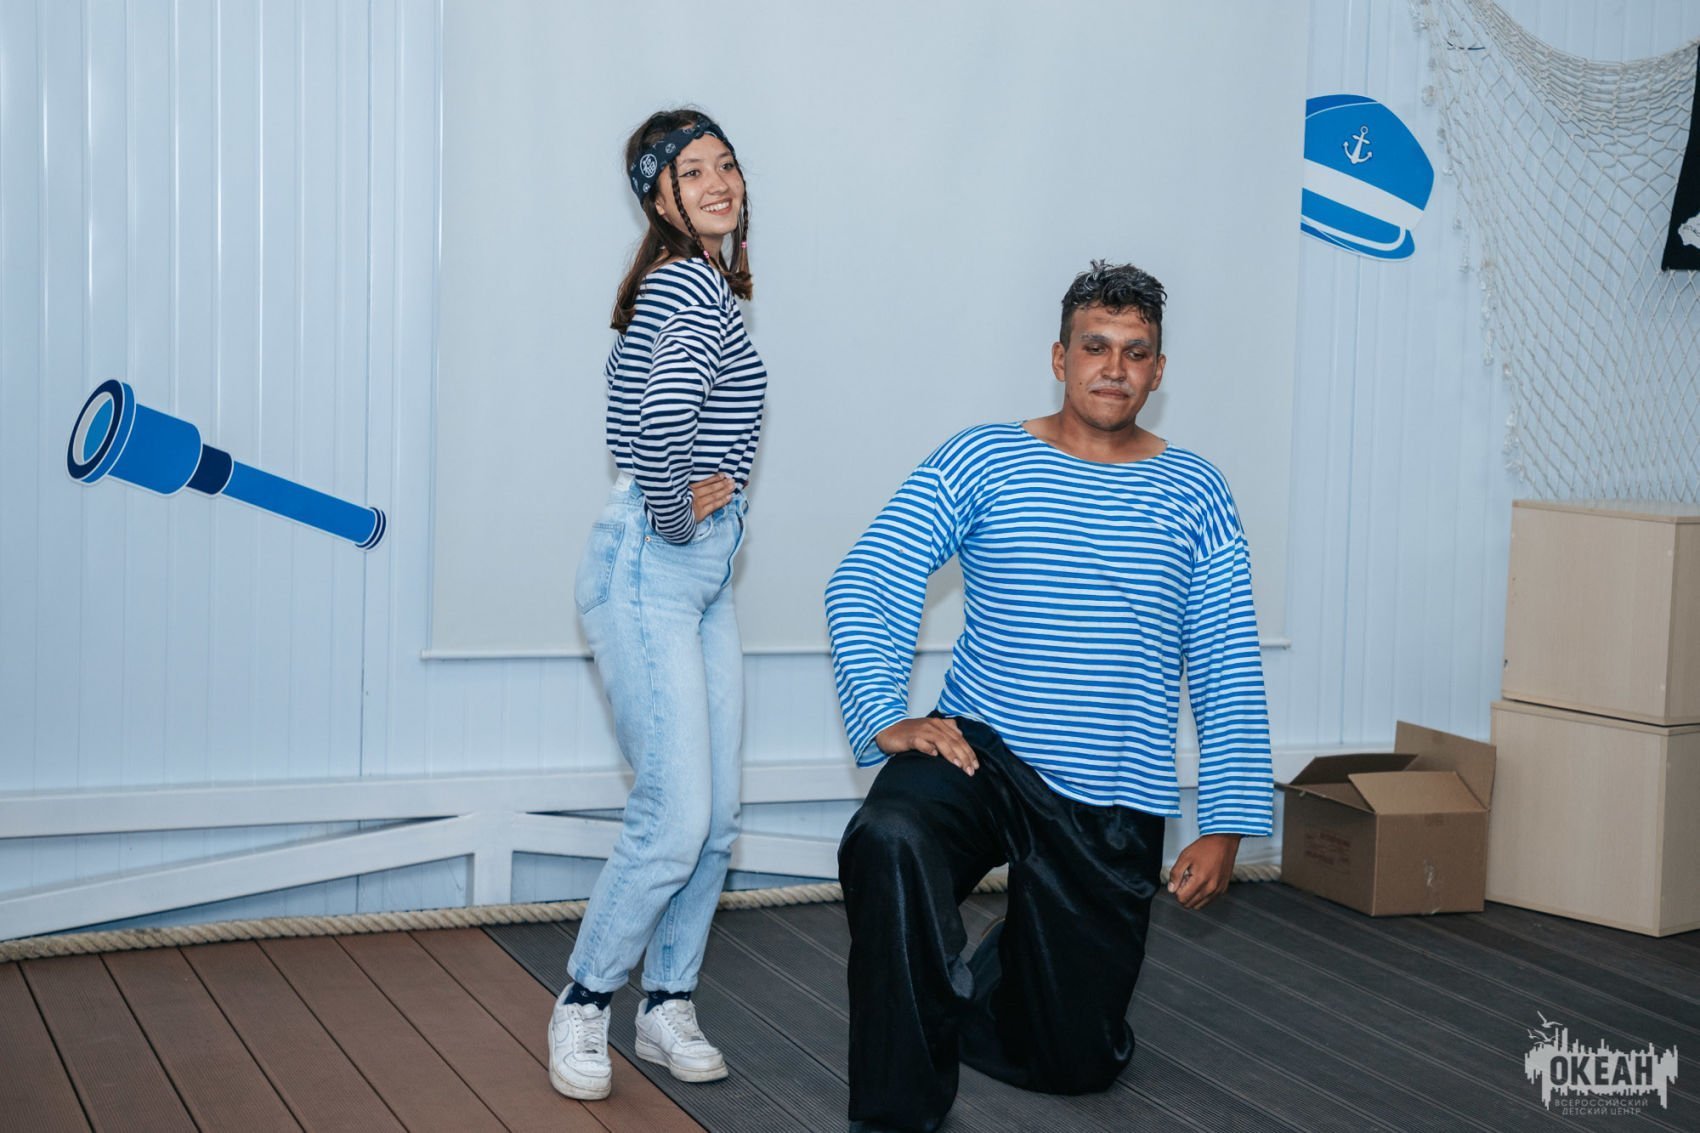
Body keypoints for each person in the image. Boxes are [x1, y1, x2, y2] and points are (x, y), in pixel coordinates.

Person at [825, 261, 1274, 1133]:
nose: (1114, 367)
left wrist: (1225, 823)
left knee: (1072, 1061)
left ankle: (972, 981)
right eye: (1096, 347)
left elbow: (1225, 659)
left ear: (1158, 370)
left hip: (1111, 788)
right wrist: (886, 714)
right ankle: (893, 1115)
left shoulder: (1197, 491)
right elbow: (869, 575)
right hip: (979, 752)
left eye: (1135, 352)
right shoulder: (983, 458)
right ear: (1060, 357)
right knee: (888, 837)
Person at [547, 108, 765, 1102]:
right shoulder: (686, 285)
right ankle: (586, 998)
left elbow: (637, 413)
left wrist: (700, 525)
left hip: (696, 576)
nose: (719, 182)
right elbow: (656, 424)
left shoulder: (698, 285)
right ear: (660, 198)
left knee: (714, 819)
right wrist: (677, 514)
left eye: (727, 164)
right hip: (652, 566)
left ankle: (666, 999)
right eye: (693, 170)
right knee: (675, 816)